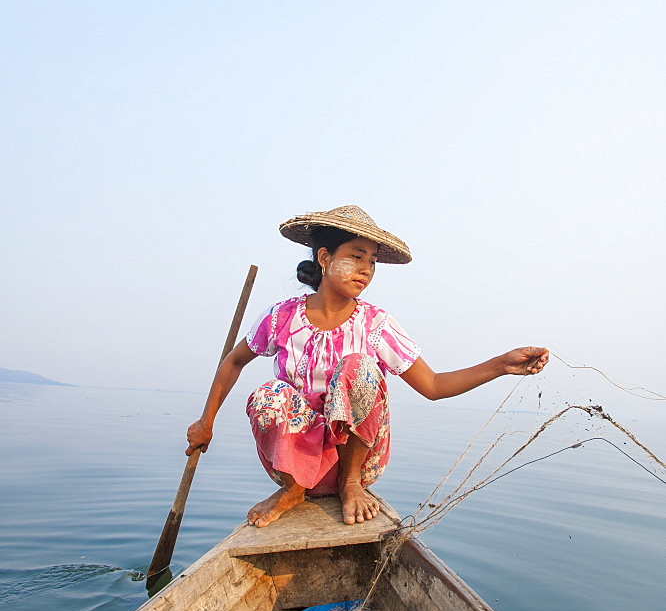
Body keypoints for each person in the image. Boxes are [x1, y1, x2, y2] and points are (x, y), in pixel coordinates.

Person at [186, 205, 549, 528]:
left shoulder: (376, 324)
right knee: (269, 393)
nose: (366, 270)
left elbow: (434, 386)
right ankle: (294, 490)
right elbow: (233, 361)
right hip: (295, 460)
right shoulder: (281, 317)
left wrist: (501, 364)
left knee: (358, 366)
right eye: (357, 257)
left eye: (372, 261)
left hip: (357, 463)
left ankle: (349, 484)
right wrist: (207, 422)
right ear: (325, 258)